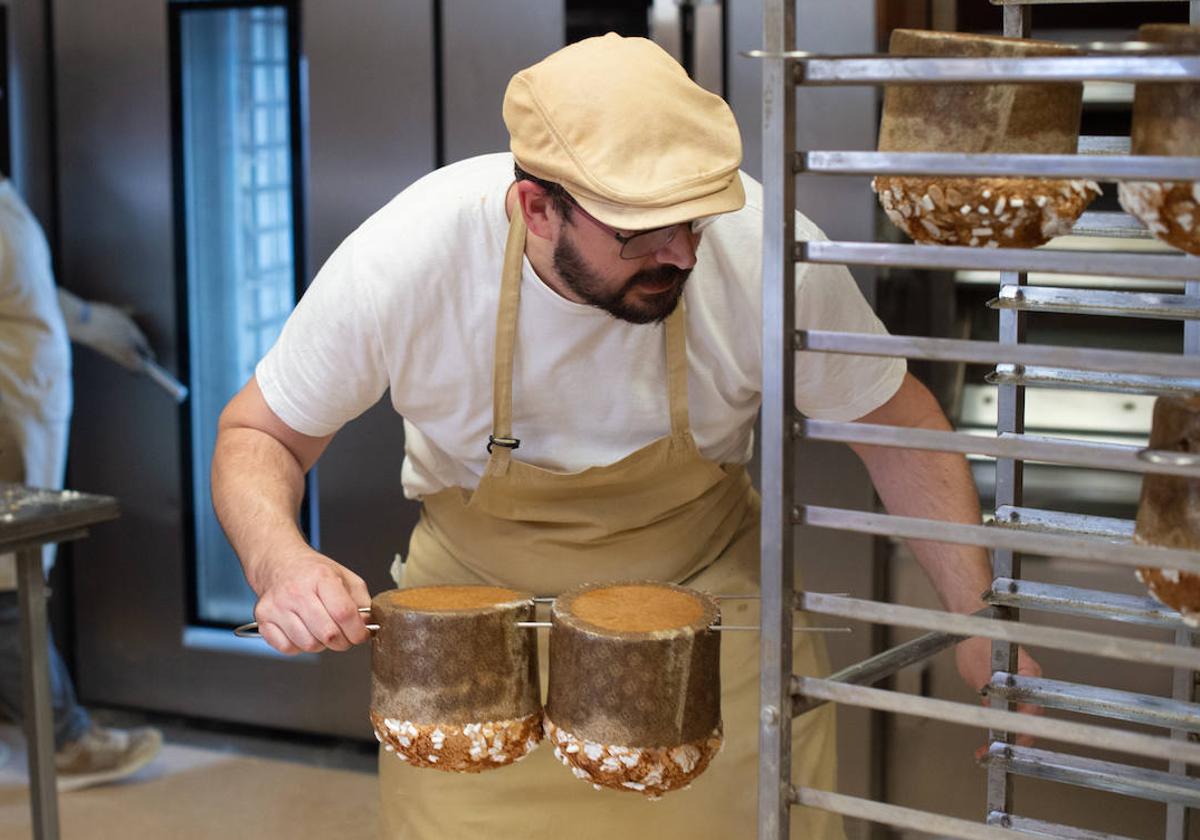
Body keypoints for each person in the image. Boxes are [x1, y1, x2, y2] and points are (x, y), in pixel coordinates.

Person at [212, 34, 1040, 839]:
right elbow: (261, 432)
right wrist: (280, 560)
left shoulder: (763, 254)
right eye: (639, 232)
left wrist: (978, 619)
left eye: (696, 221)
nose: (679, 254)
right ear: (538, 208)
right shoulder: (406, 259)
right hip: (469, 657)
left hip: (708, 640)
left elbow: (898, 428)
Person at [0, 175, 163, 792]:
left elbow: (18, 285)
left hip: (23, 408)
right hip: (8, 414)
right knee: (8, 585)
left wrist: (88, 320)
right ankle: (64, 740)